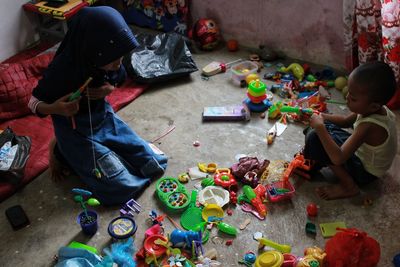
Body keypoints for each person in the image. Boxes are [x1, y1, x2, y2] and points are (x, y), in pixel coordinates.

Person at [28, 6, 167, 205]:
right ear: (92, 50)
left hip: (103, 118)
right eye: (113, 60)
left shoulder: (107, 59)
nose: (118, 64)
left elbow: (118, 78)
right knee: (120, 185)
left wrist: (108, 90)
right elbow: (32, 103)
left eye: (121, 58)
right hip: (75, 131)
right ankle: (61, 149)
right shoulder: (61, 71)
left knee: (152, 162)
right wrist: (56, 108)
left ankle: (67, 149)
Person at [303, 61, 397, 200]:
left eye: (353, 98)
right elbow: (345, 121)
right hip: (363, 155)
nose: (347, 98)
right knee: (322, 128)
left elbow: (338, 157)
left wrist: (320, 127)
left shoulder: (369, 125)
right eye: (348, 92)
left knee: (315, 137)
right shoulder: (375, 109)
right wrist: (321, 116)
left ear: (373, 106)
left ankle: (349, 186)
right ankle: (321, 142)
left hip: (365, 172)